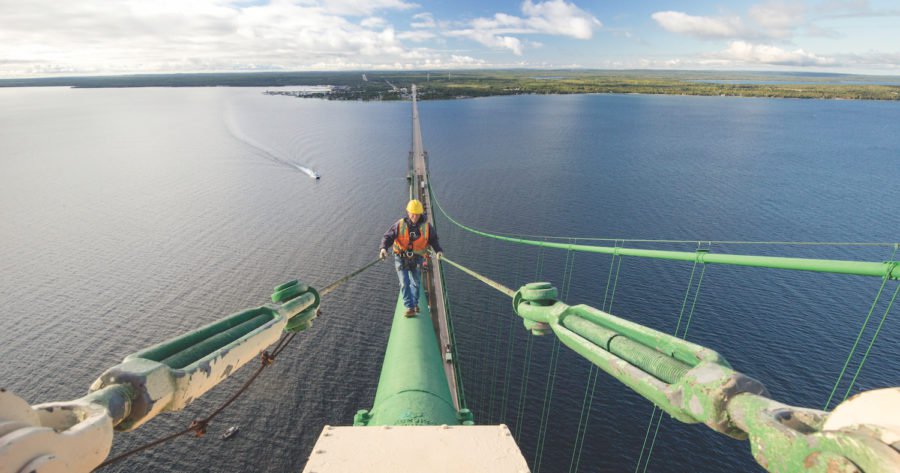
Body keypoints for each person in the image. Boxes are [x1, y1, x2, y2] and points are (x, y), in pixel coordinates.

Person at [380, 199, 443, 317]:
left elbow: (434, 240)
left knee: (416, 283)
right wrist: (384, 248)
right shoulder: (399, 225)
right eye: (412, 213)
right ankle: (410, 307)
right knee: (404, 282)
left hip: (417, 258)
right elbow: (388, 236)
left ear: (420, 214)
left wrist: (438, 251)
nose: (414, 216)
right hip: (401, 257)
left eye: (417, 214)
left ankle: (414, 304)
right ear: (408, 213)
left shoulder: (427, 227)